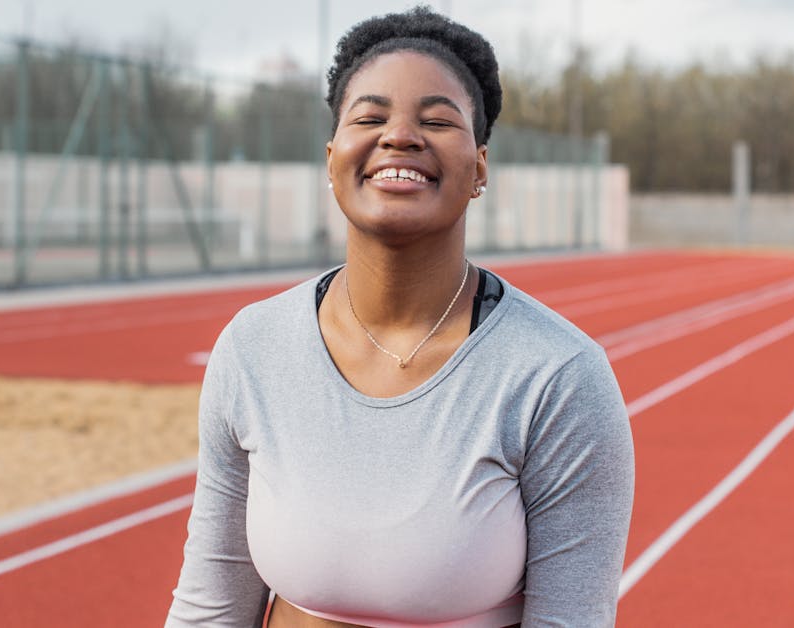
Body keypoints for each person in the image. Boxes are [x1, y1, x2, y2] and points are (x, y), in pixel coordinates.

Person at [165, 6, 634, 627]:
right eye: (371, 117)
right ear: (334, 159)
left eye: (438, 120)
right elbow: (210, 604)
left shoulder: (558, 375)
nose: (400, 136)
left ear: (480, 167)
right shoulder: (253, 348)